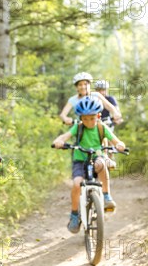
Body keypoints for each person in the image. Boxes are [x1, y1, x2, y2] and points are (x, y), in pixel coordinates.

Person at [52, 96, 126, 233]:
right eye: (85, 119)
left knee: (101, 164)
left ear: (98, 116)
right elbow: (65, 136)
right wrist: (59, 141)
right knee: (77, 183)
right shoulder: (78, 127)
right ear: (81, 118)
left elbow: (115, 141)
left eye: (92, 118)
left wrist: (120, 145)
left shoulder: (101, 127)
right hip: (80, 160)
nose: (88, 122)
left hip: (96, 156)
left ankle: (106, 195)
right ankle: (74, 215)